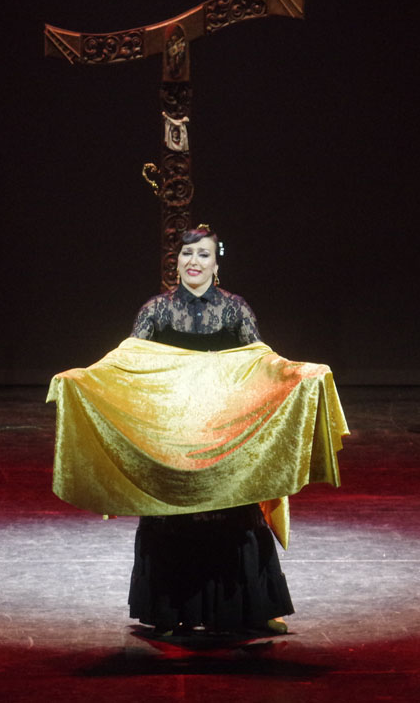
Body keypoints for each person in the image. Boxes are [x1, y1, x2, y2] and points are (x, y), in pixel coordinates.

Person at [126, 225, 294, 635]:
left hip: (223, 431)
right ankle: (167, 610)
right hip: (174, 433)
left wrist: (299, 373)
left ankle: (254, 608)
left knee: (234, 513)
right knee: (174, 516)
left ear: (216, 264)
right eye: (187, 254)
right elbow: (126, 364)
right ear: (176, 262)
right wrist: (83, 379)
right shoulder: (156, 311)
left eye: (203, 254)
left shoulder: (235, 310)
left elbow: (261, 363)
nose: (194, 262)